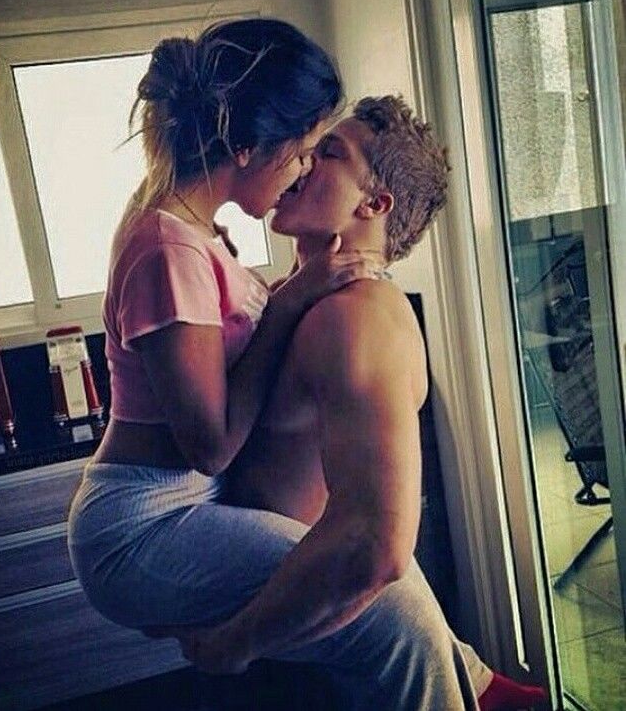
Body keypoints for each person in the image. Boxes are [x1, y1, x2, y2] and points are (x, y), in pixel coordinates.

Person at [179, 95, 547, 711]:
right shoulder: (304, 300)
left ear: (374, 204)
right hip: (302, 634)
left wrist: (236, 644)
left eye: (327, 152)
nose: (301, 161)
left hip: (341, 652)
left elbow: (378, 546)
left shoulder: (358, 320)